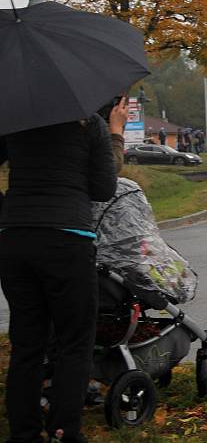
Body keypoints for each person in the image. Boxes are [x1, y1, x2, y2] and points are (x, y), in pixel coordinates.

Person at [0, 109, 117, 443]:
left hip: (15, 239)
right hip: (68, 239)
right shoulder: (88, 120)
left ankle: (23, 433)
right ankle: (64, 430)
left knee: (26, 344)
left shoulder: (15, 117)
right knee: (74, 343)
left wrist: (7, 210)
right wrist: (113, 134)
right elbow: (104, 188)